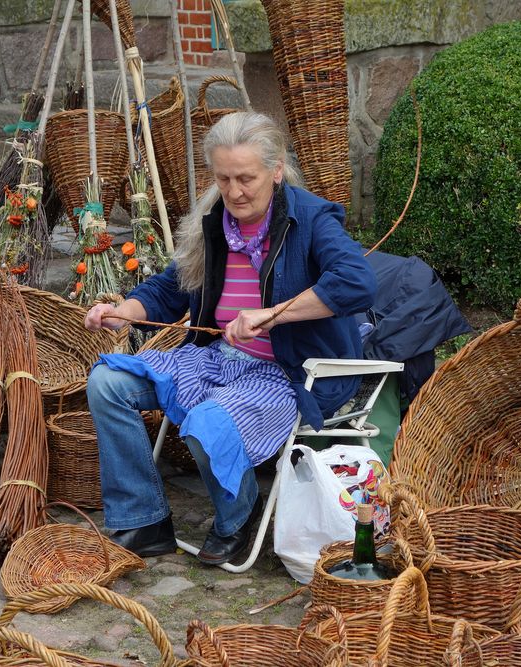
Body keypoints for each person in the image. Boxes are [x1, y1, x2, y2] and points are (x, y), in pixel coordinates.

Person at [84, 111, 376, 566]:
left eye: (246, 178)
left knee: (209, 421)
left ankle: (238, 520)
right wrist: (125, 311)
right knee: (108, 382)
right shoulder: (214, 222)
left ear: (276, 169)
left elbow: (357, 282)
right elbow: (171, 286)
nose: (235, 191)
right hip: (218, 360)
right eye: (224, 179)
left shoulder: (311, 220)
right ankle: (143, 520)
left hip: (290, 371)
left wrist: (274, 314)